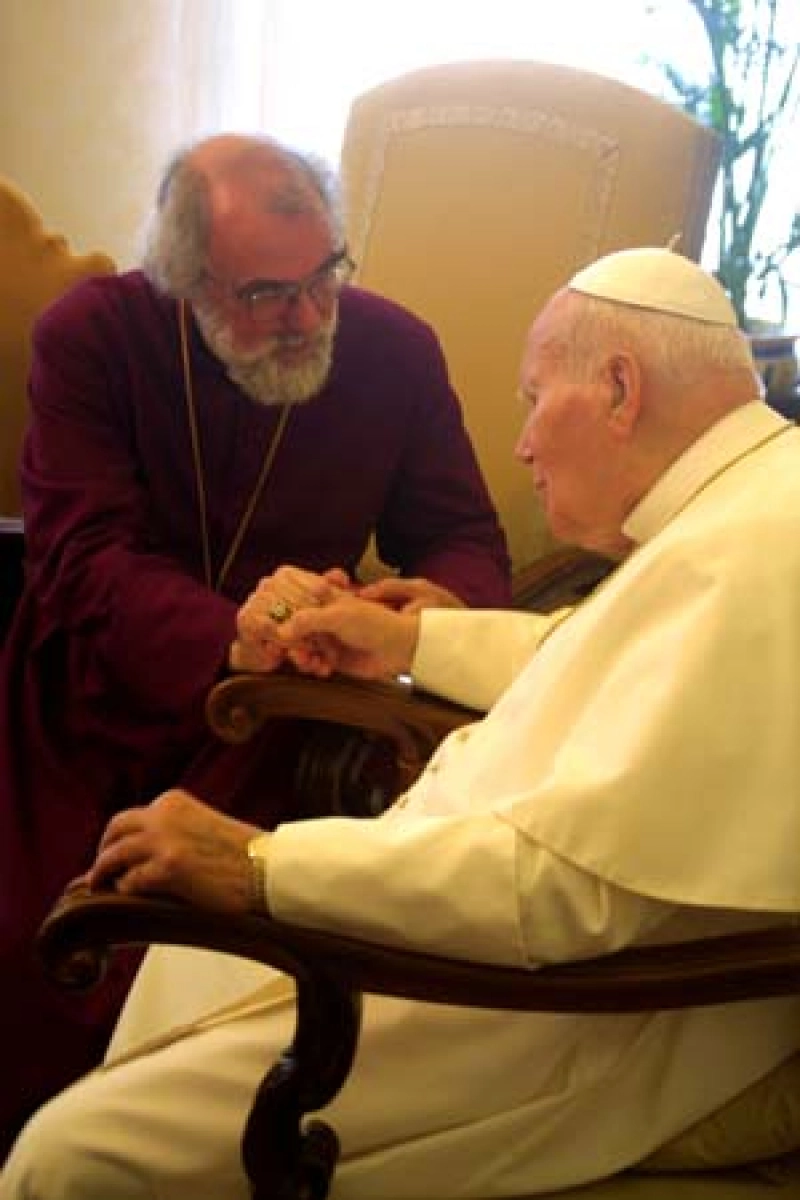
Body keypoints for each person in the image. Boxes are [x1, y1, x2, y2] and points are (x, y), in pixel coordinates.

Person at [6, 247, 800, 1200]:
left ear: (621, 388)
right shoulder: (754, 503)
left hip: (565, 1018)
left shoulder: (749, 550)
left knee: (73, 1161)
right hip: (502, 932)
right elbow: (604, 654)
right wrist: (409, 641)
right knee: (173, 968)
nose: (524, 445)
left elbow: (571, 894)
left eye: (536, 395)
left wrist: (258, 866)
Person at [0, 133, 511, 1154]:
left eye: (324, 275)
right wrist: (227, 631)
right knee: (34, 947)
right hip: (83, 699)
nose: (310, 317)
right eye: (267, 296)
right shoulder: (93, 337)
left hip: (279, 723)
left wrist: (425, 608)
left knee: (193, 972)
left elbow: (464, 539)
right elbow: (77, 557)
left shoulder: (394, 350)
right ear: (184, 280)